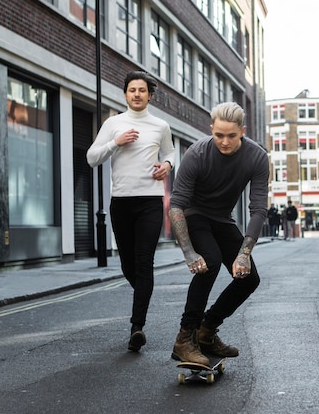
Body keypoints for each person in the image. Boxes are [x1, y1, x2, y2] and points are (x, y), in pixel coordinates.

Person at [168, 102, 269, 365]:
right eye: (218, 135)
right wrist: (189, 252)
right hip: (195, 214)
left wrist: (244, 254)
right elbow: (177, 205)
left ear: (242, 131)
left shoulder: (256, 157)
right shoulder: (197, 153)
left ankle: (207, 330)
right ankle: (184, 338)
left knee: (249, 279)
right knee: (209, 262)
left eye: (231, 136)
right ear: (211, 129)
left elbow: (258, 208)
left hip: (223, 219)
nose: (224, 142)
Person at [86, 71, 175, 352]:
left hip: (150, 201)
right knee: (128, 264)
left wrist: (168, 166)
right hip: (121, 201)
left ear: (150, 95)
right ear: (125, 94)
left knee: (144, 260)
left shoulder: (160, 126)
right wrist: (115, 143)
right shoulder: (113, 124)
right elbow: (91, 158)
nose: (137, 94)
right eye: (132, 90)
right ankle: (144, 294)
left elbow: (170, 153)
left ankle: (137, 327)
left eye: (142, 90)